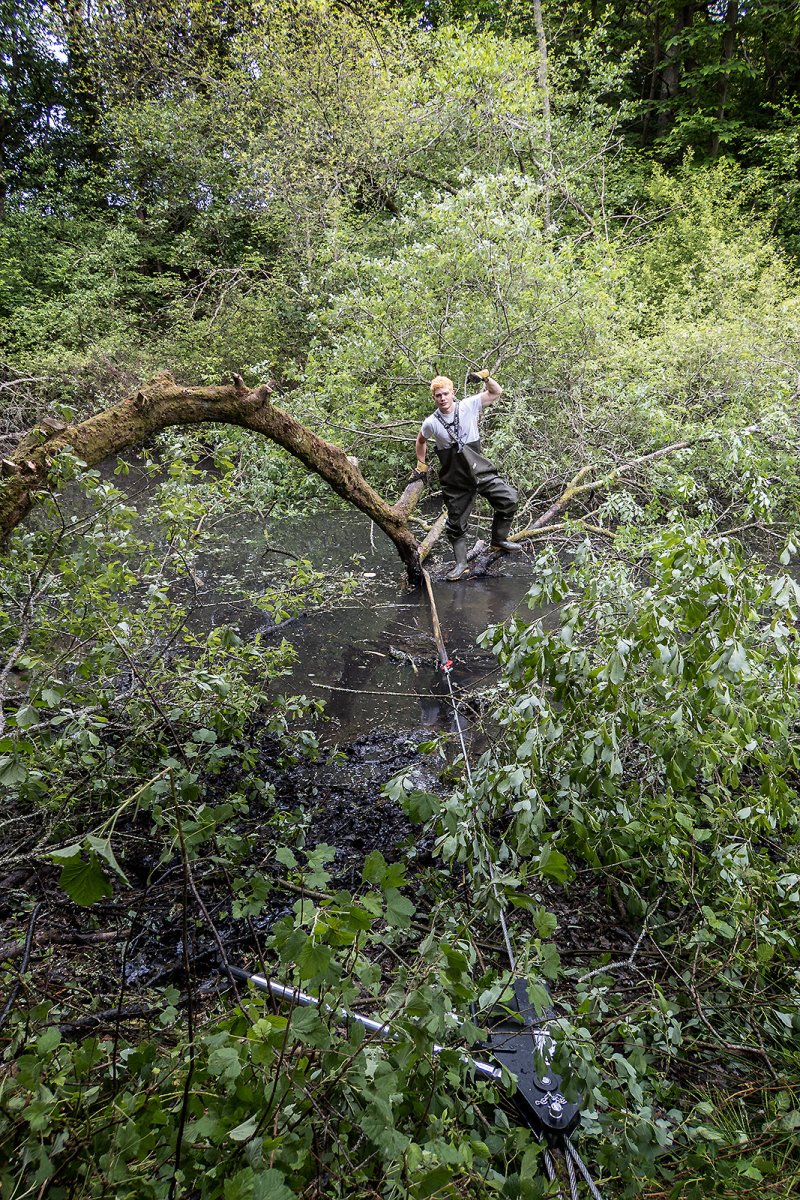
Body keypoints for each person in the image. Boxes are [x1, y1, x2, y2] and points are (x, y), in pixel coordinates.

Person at [414, 370, 520, 581]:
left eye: (445, 393)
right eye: (438, 395)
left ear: (453, 392)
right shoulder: (431, 422)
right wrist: (421, 465)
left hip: (479, 471)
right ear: (433, 398)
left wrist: (486, 377)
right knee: (455, 524)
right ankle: (461, 563)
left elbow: (496, 392)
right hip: (455, 479)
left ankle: (499, 539)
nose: (442, 398)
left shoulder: (468, 405)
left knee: (509, 499)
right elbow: (421, 441)